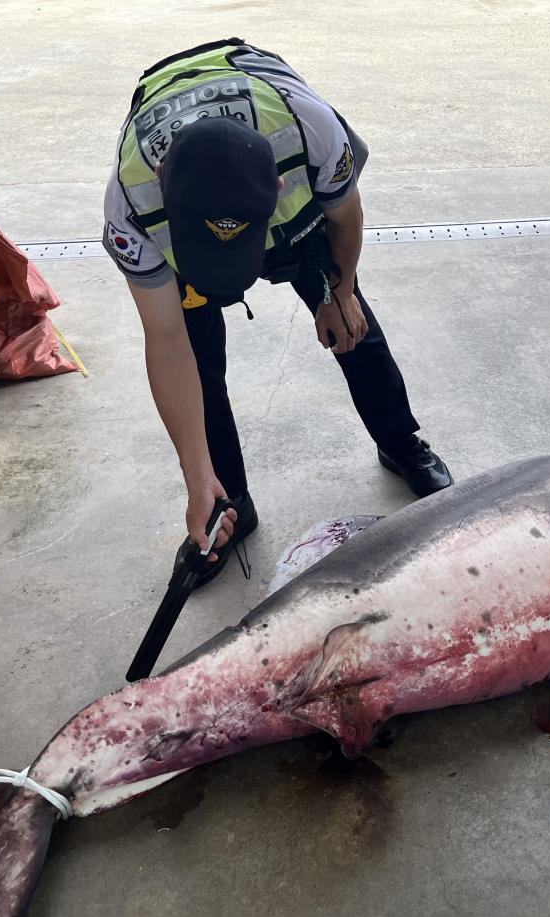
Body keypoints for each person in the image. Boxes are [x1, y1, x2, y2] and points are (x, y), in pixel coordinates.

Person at [102, 39, 453, 582]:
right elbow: (166, 342)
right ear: (166, 198)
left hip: (288, 200)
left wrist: (340, 293)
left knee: (352, 323)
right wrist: (196, 478)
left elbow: (346, 218)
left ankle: (399, 440)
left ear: (280, 187)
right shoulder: (132, 205)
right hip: (194, 193)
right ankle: (228, 503)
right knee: (196, 358)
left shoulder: (309, 130)